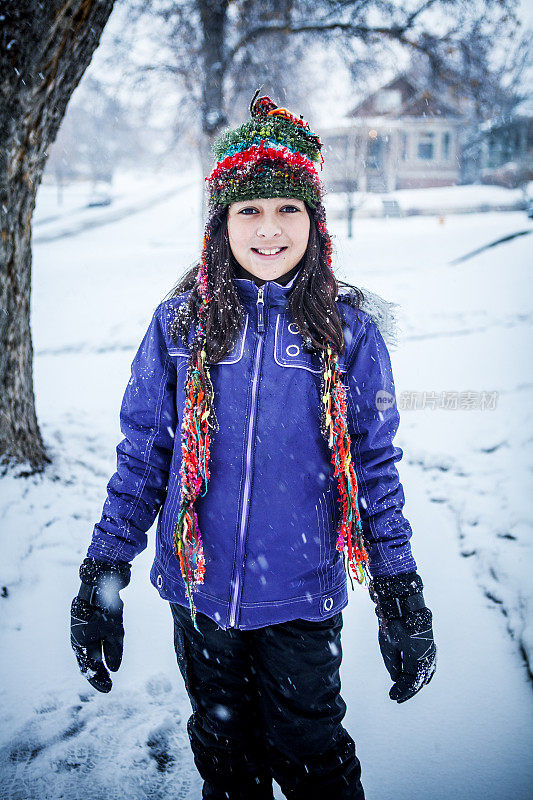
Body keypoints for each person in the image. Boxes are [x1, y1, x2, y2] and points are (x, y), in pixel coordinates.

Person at [70, 92, 437, 799]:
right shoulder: (180, 325)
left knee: (312, 754)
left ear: (314, 221)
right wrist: (103, 567)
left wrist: (400, 589)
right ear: (220, 223)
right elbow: (144, 452)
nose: (268, 229)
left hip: (301, 596)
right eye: (249, 210)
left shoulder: (346, 333)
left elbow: (373, 470)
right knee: (221, 748)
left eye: (287, 209)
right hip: (199, 594)